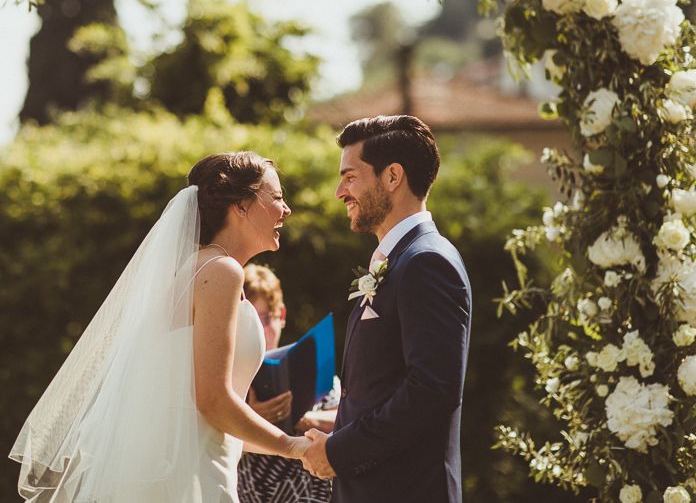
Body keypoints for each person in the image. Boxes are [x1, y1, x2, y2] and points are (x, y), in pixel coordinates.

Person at [10, 151, 311, 502]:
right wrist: (293, 447)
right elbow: (212, 401)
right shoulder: (220, 272)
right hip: (188, 475)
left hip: (197, 461)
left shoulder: (203, 269)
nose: (286, 209)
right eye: (276, 198)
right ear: (241, 206)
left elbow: (203, 413)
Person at [301, 115, 472, 503]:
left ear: (393, 176)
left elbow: (431, 391)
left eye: (350, 176)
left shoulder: (427, 261)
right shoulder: (400, 259)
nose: (339, 191)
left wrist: (339, 452)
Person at [237, 264, 336, 503]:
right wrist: (250, 417)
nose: (260, 329)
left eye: (266, 318)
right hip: (250, 491)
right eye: (251, 319)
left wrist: (303, 419)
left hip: (307, 491)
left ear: (281, 315)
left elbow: (347, 418)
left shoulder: (308, 364)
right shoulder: (231, 375)